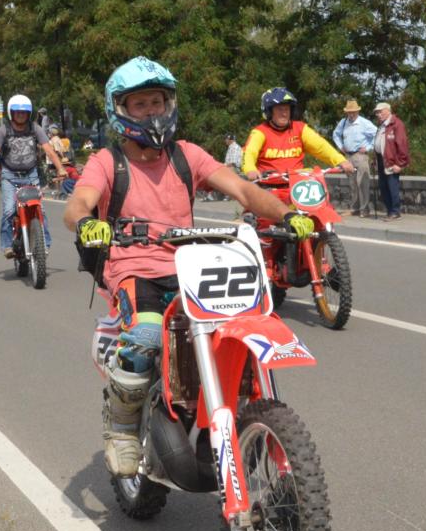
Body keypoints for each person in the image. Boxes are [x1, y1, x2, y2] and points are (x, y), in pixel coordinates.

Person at [62, 57, 317, 476]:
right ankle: (122, 427)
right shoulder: (108, 161)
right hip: (134, 268)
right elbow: (79, 202)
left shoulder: (187, 155)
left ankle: (239, 418)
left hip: (190, 266)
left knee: (237, 331)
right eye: (140, 104)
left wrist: (287, 214)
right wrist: (87, 223)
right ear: (120, 110)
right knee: (146, 336)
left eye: (157, 102)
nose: (151, 111)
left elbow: (243, 190)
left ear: (169, 104)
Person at [0, 94, 61, 258]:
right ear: (11, 113)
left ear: (29, 113)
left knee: (40, 210)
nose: (21, 115)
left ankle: (44, 244)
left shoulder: (35, 128)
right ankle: (7, 245)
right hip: (9, 176)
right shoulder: (4, 130)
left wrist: (61, 168)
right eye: (17, 112)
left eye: (24, 112)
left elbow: (49, 149)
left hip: (31, 175)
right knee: (9, 210)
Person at [240, 87, 353, 181]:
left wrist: (340, 161)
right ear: (269, 111)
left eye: (287, 109)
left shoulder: (300, 129)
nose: (284, 113)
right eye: (280, 109)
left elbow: (321, 147)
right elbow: (249, 153)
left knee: (323, 201)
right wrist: (250, 170)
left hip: (297, 185)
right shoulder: (260, 132)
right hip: (267, 187)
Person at [332, 99, 377, 216]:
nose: (351, 114)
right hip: (348, 155)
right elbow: (335, 134)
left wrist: (368, 147)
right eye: (349, 112)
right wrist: (341, 146)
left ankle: (364, 209)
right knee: (352, 183)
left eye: (353, 112)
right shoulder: (343, 122)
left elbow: (377, 134)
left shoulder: (364, 123)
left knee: (362, 183)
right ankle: (354, 208)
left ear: (357, 112)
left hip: (360, 155)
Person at [372, 101, 410, 220]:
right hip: (381, 159)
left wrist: (400, 164)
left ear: (388, 111)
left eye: (380, 112)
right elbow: (379, 144)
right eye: (377, 112)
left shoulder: (397, 124)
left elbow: (402, 145)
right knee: (383, 187)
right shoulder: (382, 125)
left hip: (392, 161)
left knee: (392, 187)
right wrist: (375, 160)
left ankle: (395, 212)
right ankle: (390, 211)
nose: (378, 114)